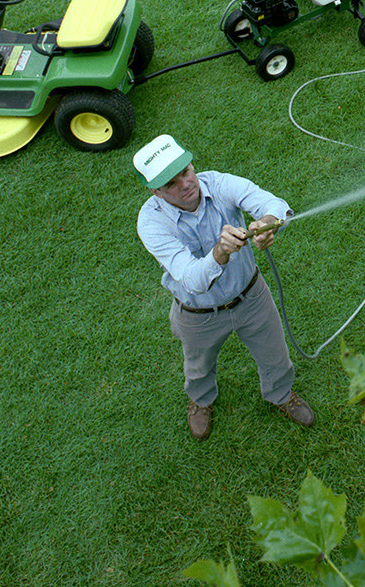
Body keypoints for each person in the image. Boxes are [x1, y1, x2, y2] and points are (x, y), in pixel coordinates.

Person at [133, 133, 313, 440]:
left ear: (191, 165)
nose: (186, 184)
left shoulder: (217, 182)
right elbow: (192, 279)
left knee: (275, 355)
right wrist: (221, 251)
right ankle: (201, 401)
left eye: (185, 172)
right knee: (199, 367)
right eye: (171, 184)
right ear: (155, 192)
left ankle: (281, 394)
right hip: (197, 313)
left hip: (251, 295)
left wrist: (266, 220)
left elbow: (269, 202)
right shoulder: (151, 224)